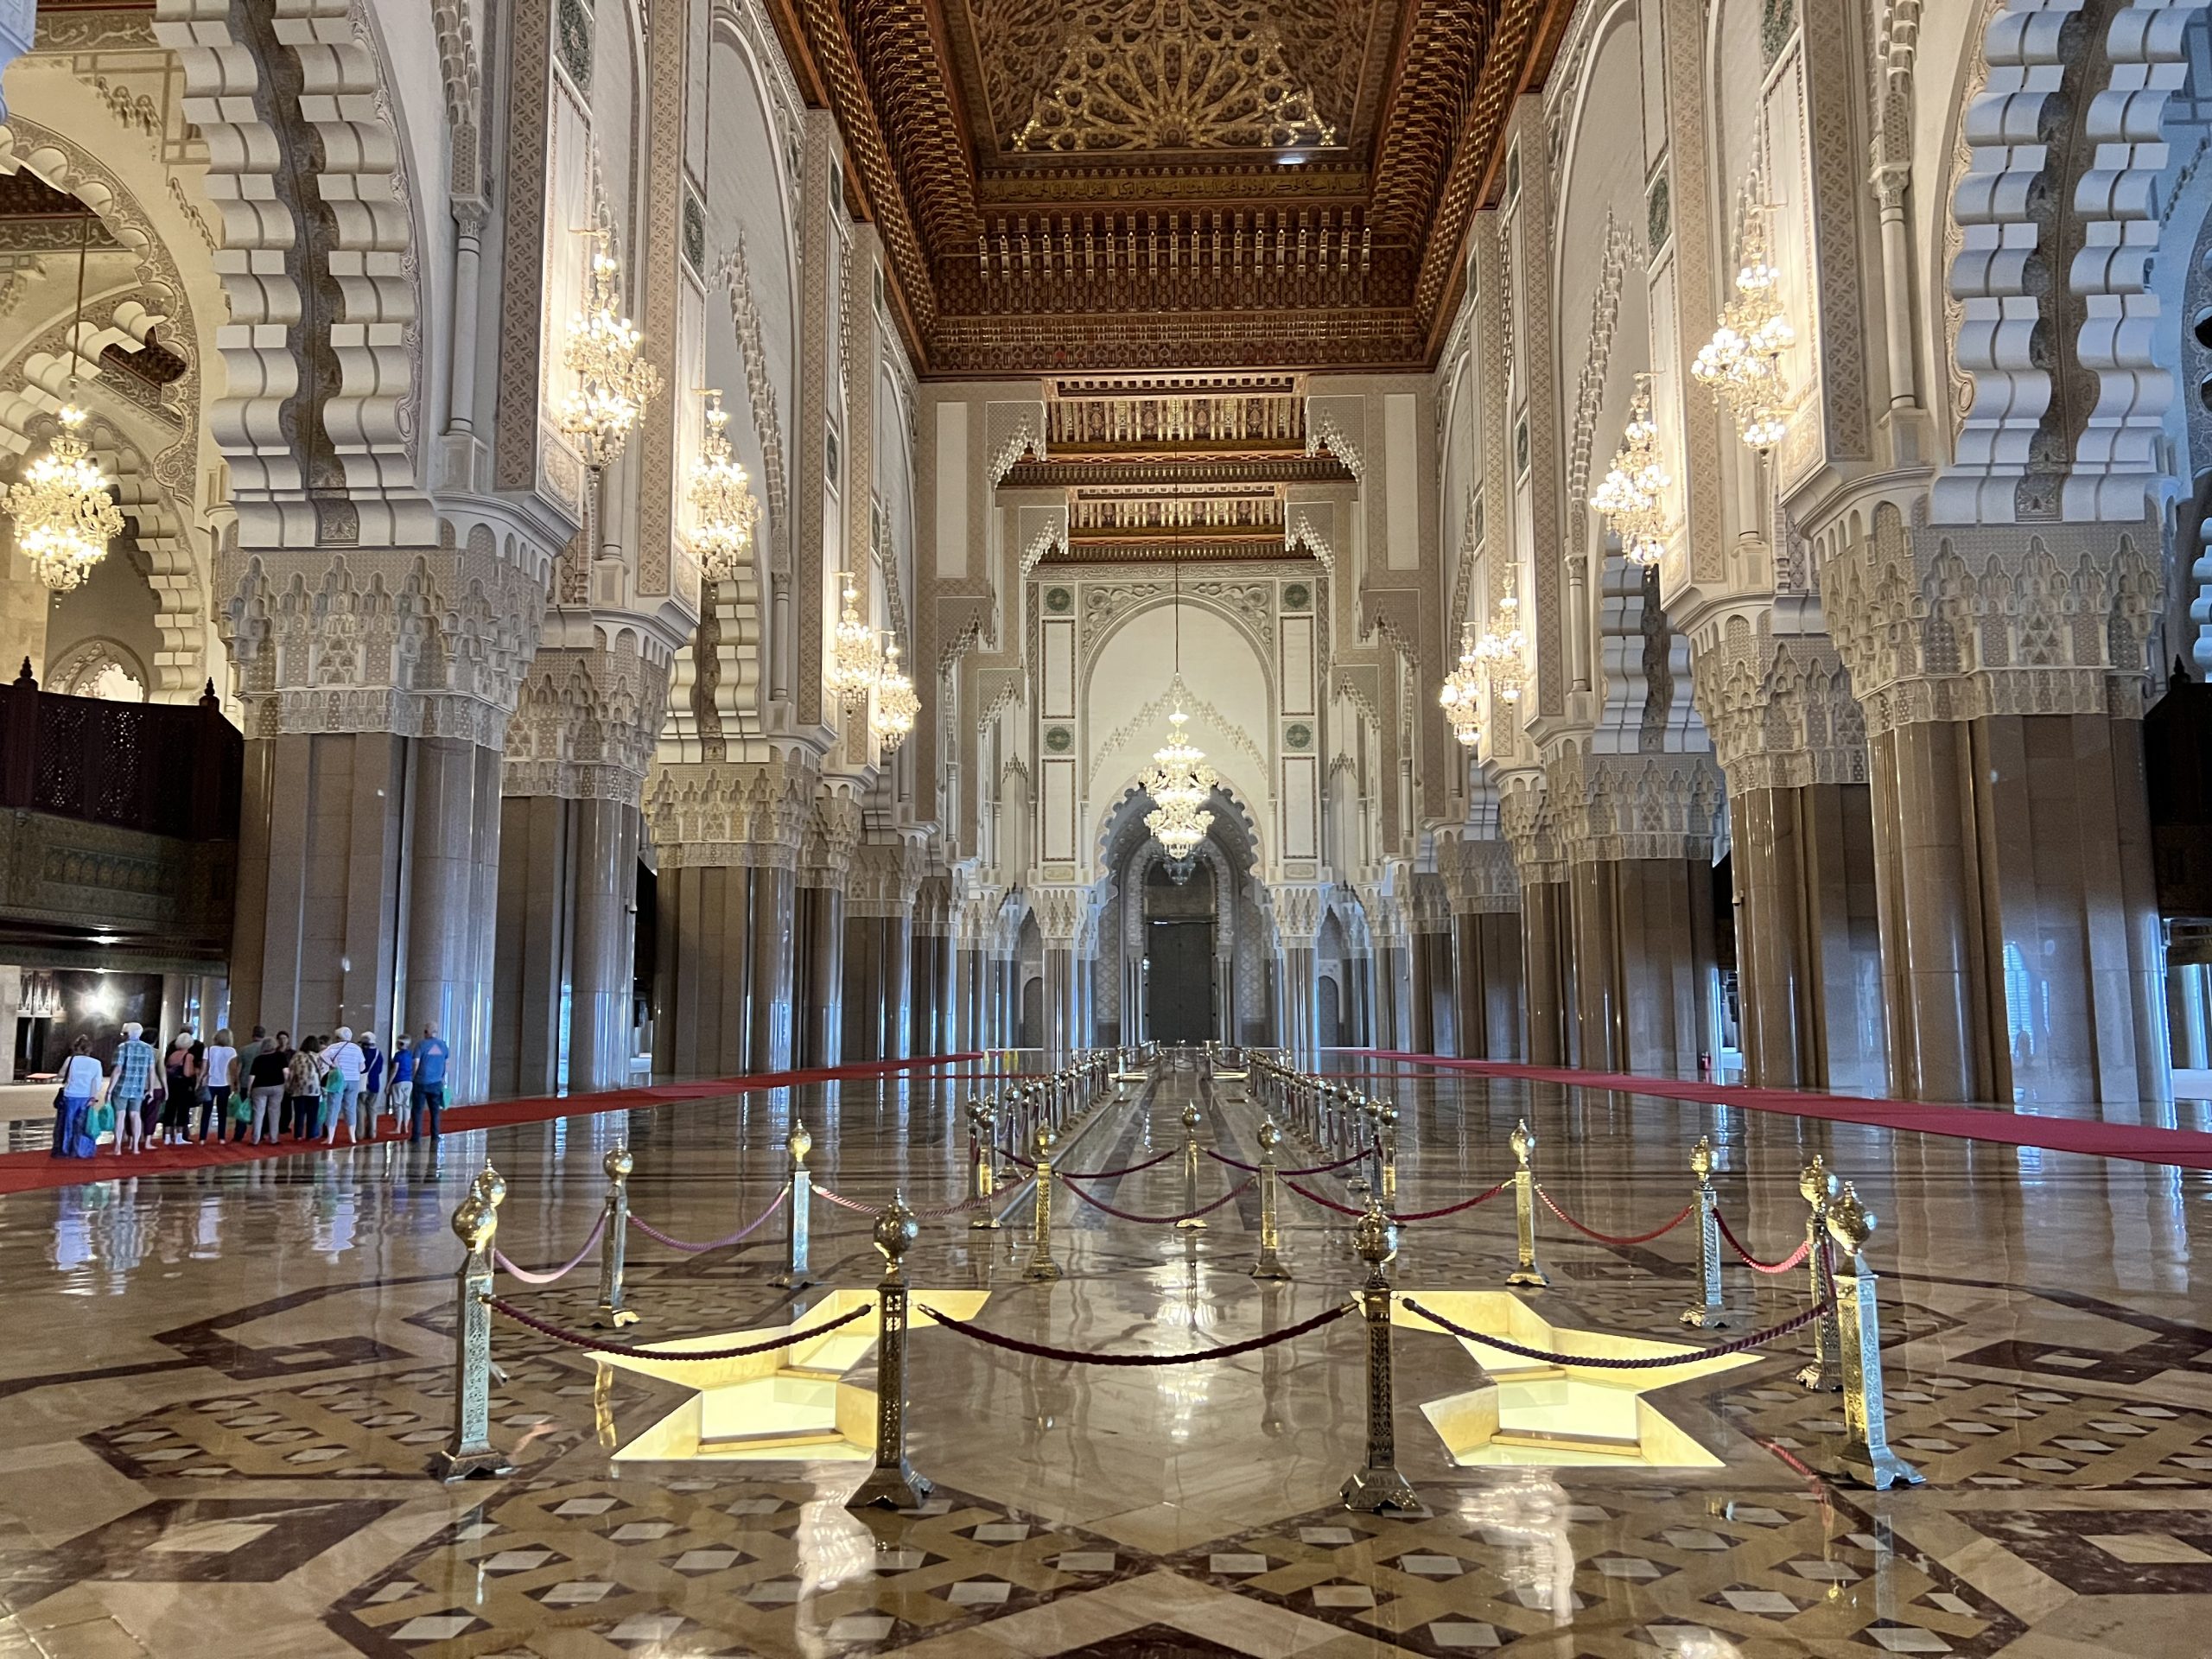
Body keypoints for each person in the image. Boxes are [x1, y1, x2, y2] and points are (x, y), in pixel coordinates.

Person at [109, 1021, 158, 1156]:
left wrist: (109, 1090)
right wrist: (151, 1089)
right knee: (135, 1116)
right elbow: (151, 1071)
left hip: (121, 1087)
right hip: (138, 1088)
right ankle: (135, 1147)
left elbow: (118, 1070)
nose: (123, 1036)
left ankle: (117, 1148)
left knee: (120, 1116)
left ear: (128, 1034)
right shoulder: (148, 1049)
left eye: (124, 1034)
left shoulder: (122, 1047)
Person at [52, 1035, 105, 1160]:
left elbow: (61, 1074)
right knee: (84, 1125)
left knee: (67, 1124)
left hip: (70, 1095)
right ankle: (81, 1150)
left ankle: (65, 1149)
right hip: (86, 1097)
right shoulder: (96, 1063)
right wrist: (93, 1097)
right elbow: (96, 1082)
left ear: (76, 1048)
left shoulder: (70, 1060)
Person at [246, 1030, 290, 1145]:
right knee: (274, 1112)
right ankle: (274, 1139)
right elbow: (286, 1072)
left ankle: (255, 1139)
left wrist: (249, 1090)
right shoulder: (280, 1056)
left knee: (258, 1113)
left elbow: (252, 1077)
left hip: (259, 1088)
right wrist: (286, 1083)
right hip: (277, 1087)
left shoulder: (258, 1059)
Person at [410, 1023, 450, 1141]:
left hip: (421, 1082)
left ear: (427, 1032)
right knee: (435, 1111)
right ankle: (435, 1135)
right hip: (436, 1083)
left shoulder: (421, 1045)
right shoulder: (443, 1045)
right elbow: (447, 1064)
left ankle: (416, 1136)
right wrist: (442, 1077)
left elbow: (416, 1063)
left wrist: (413, 1077)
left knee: (418, 1110)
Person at [321, 1027, 360, 1145]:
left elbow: (322, 1055)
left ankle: (330, 1138)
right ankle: (352, 1137)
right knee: (351, 1107)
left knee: (333, 1107)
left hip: (338, 1079)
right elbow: (362, 1066)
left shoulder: (335, 1047)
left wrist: (333, 1065)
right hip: (354, 1079)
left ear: (338, 1037)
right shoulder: (357, 1048)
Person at [201, 1028, 238, 1143]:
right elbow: (233, 1070)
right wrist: (235, 1083)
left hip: (210, 1083)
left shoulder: (208, 1050)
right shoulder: (231, 1051)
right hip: (225, 1084)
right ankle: (221, 1137)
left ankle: (202, 1138)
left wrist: (200, 1081)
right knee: (222, 1112)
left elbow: (204, 1068)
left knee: (206, 1111)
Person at [285, 1038, 324, 1141]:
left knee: (299, 1113)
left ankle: (298, 1135)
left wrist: (288, 1086)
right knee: (313, 1114)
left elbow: (291, 1072)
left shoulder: (297, 1056)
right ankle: (311, 1135)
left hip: (299, 1089)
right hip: (314, 1089)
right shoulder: (318, 1057)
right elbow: (322, 1072)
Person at [359, 1032, 385, 1131]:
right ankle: (372, 1132)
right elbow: (379, 1070)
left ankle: (360, 1133)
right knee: (372, 1108)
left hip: (362, 1084)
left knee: (360, 1107)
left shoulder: (361, 1053)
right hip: (375, 1084)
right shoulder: (378, 1053)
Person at [388, 1034, 413, 1134]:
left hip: (398, 1081)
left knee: (398, 1105)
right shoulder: (410, 1054)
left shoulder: (398, 1055)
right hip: (409, 1081)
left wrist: (388, 1084)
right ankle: (406, 1127)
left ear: (399, 1044)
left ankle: (398, 1128)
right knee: (406, 1105)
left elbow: (395, 1070)